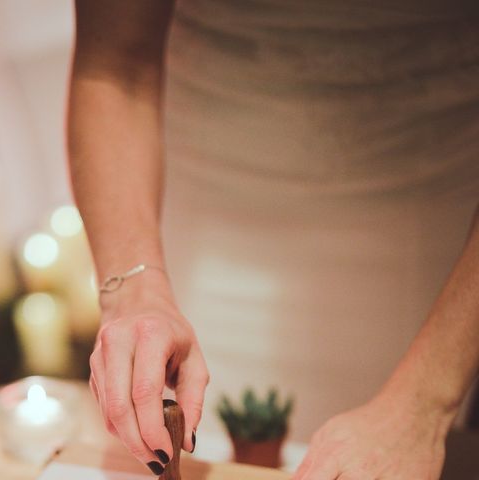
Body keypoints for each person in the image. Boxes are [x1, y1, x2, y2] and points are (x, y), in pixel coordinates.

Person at [68, 0, 479, 478]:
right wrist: (135, 287)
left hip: (429, 233)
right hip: (200, 208)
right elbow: (116, 65)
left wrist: (424, 404)